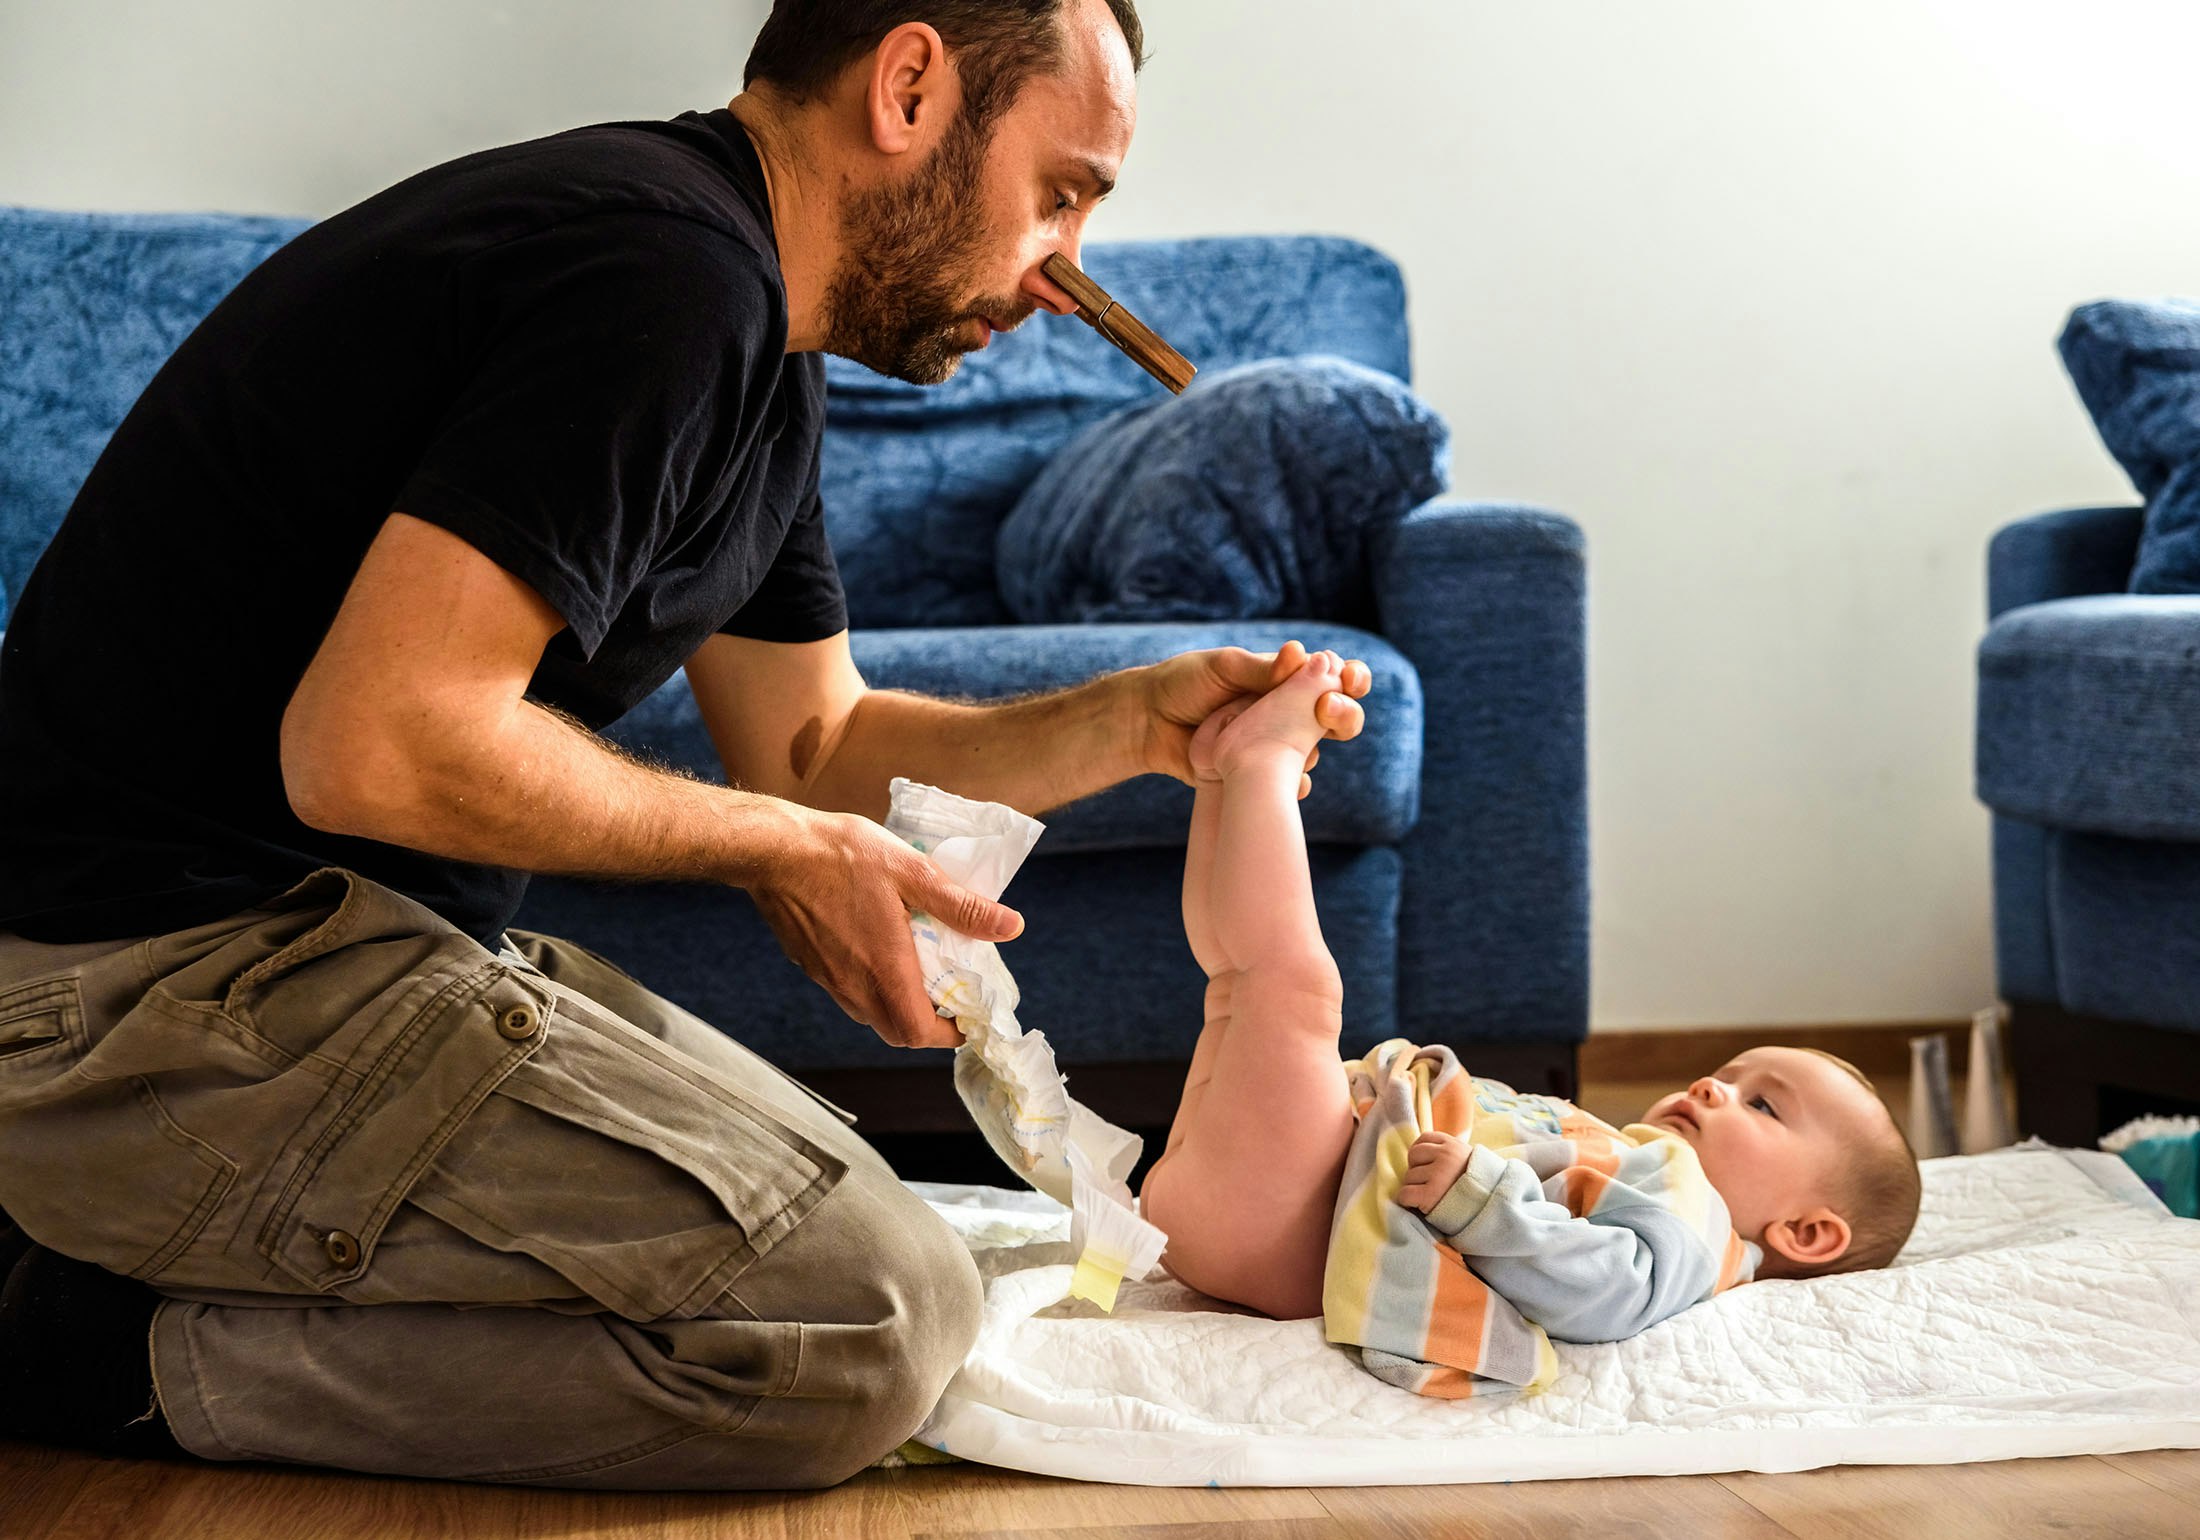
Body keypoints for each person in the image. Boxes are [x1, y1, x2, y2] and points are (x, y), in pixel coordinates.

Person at [0, 0, 1377, 1489]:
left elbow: (810, 747)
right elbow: (375, 746)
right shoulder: (659, 276)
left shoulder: (757, 336)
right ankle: (71, 1342)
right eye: (1059, 192)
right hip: (130, 999)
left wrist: (1128, 721)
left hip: (325, 962)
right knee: (866, 1322)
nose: (1063, 276)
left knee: (909, 1260)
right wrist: (782, 850)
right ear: (910, 86)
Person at [1138, 646, 1921, 1389]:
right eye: (1726, 1076)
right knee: (1241, 986)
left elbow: (1610, 1290)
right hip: (1272, 1207)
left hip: (1299, 1232)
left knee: (1288, 988)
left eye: (1764, 1104)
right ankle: (1224, 773)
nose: (1714, 1088)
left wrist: (1480, 1200)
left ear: (1806, 1233)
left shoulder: (1700, 1227)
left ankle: (1257, 765)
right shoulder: (1628, 1162)